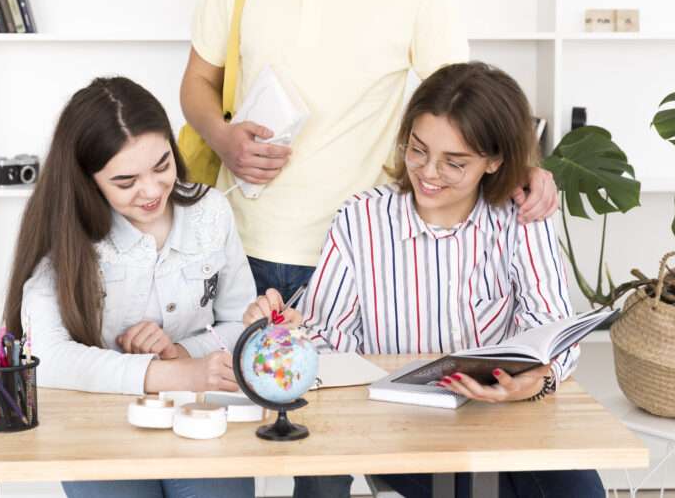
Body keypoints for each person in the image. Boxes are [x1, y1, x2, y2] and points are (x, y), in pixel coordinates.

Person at [180, 0, 558, 309]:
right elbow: (197, 83)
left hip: (362, 249)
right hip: (237, 240)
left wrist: (525, 167)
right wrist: (223, 137)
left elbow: (465, 104)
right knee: (235, 383)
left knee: (350, 387)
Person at [244, 63, 606, 498]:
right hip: (401, 426)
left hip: (506, 414)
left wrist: (539, 378)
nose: (429, 173)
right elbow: (329, 337)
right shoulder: (362, 219)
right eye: (418, 151)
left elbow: (551, 327)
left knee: (581, 492)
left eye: (454, 163)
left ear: (494, 161)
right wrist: (289, 332)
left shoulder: (521, 218)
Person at [2, 76, 255, 498]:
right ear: (88, 179)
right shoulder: (65, 233)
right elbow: (46, 358)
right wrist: (171, 373)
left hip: (199, 419)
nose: (153, 191)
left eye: (162, 166)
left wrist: (182, 353)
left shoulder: (210, 212)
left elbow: (239, 322)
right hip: (97, 426)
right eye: (126, 182)